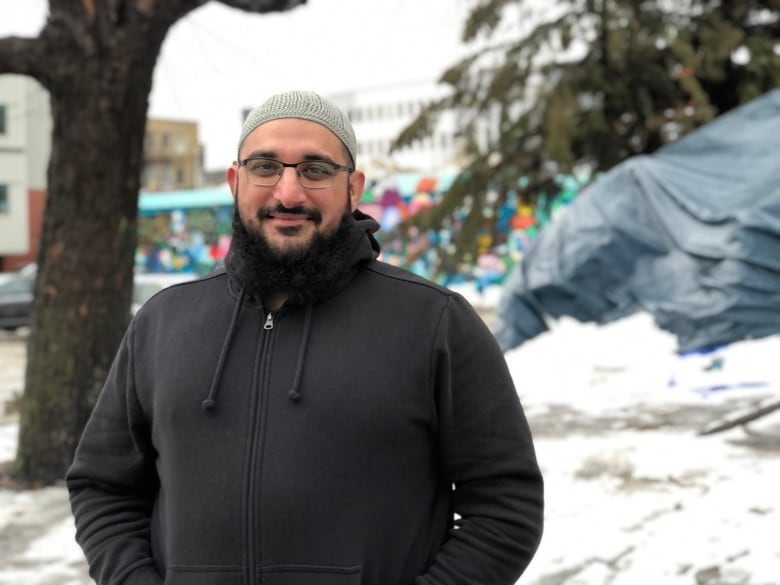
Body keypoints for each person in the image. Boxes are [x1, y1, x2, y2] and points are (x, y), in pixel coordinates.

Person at [67, 90, 544, 585]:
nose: (288, 193)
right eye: (265, 167)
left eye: (315, 169)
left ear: (354, 188)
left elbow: (505, 505)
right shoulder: (164, 322)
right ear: (235, 181)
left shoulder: (434, 323)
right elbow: (103, 486)